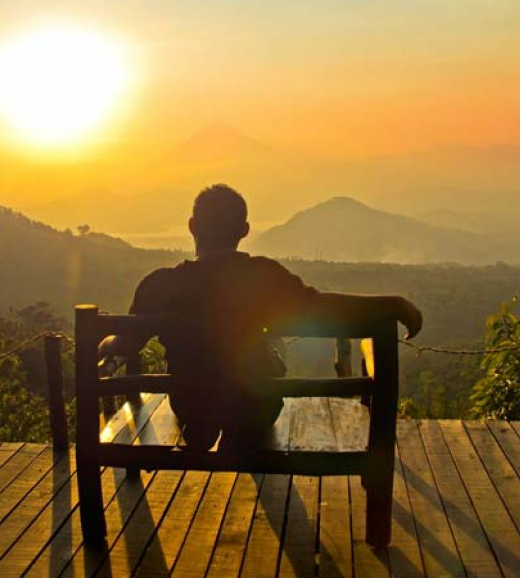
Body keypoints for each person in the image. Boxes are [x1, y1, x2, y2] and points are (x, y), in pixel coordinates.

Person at [99, 184, 422, 450]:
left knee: (209, 390)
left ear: (193, 226)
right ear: (244, 230)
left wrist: (103, 342)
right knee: (268, 355)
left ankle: (212, 426)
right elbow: (321, 307)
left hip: (191, 406)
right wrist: (391, 302)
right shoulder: (263, 277)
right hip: (254, 408)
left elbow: (126, 345)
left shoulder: (160, 284)